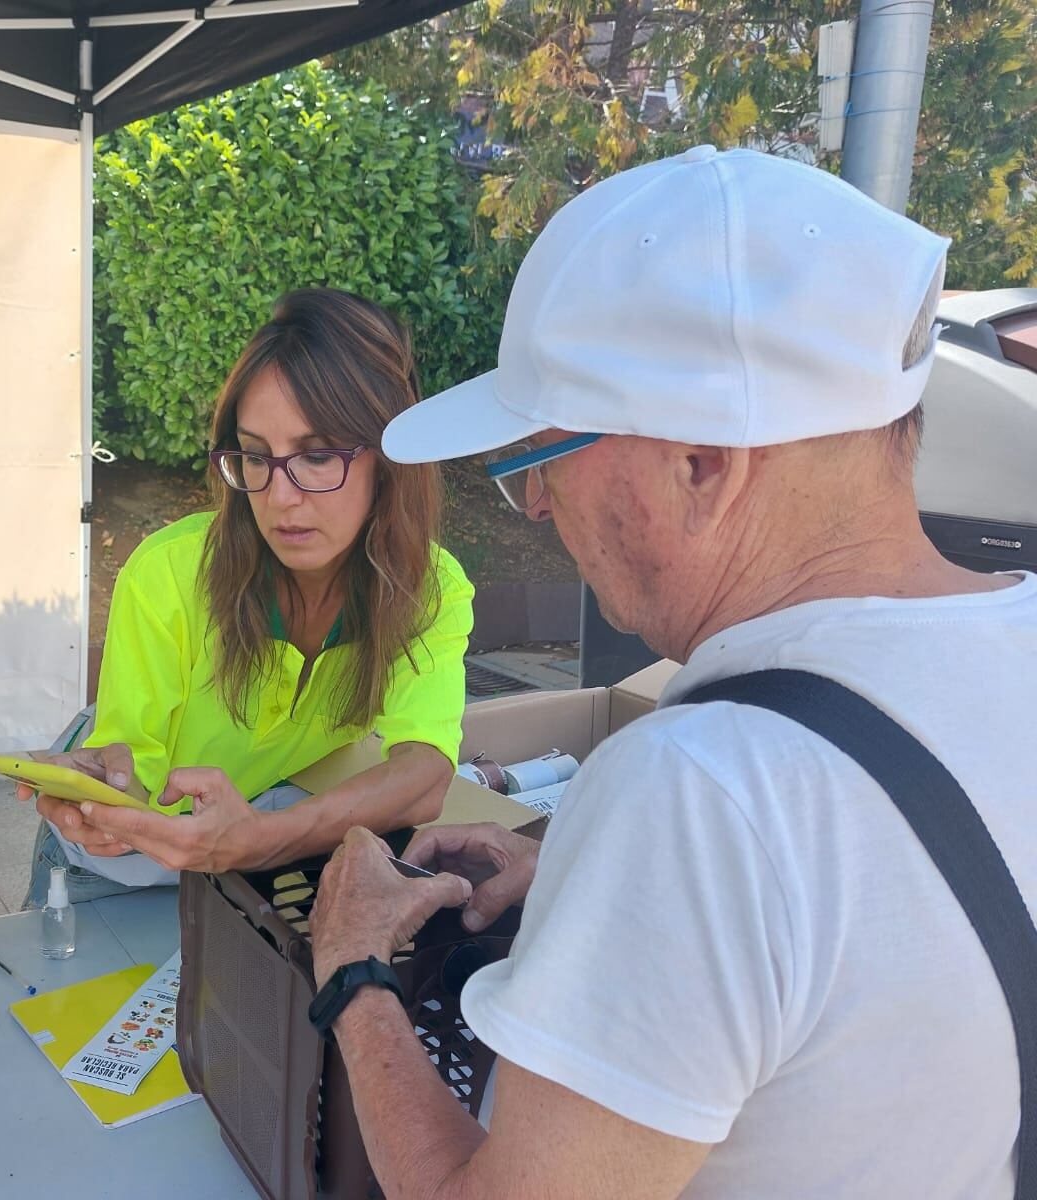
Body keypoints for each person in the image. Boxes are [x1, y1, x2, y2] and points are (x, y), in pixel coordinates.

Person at [306, 145, 1035, 1197]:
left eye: (541, 456)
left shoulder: (698, 790)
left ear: (700, 463)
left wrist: (353, 969)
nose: (538, 504)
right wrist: (597, 896)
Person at [21, 288, 473, 903]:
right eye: (256, 457)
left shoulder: (428, 589)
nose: (280, 497)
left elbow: (425, 774)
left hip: (245, 851)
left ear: (390, 460)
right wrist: (106, 798)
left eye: (318, 456)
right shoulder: (169, 574)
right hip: (105, 864)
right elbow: (134, 768)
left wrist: (261, 839)